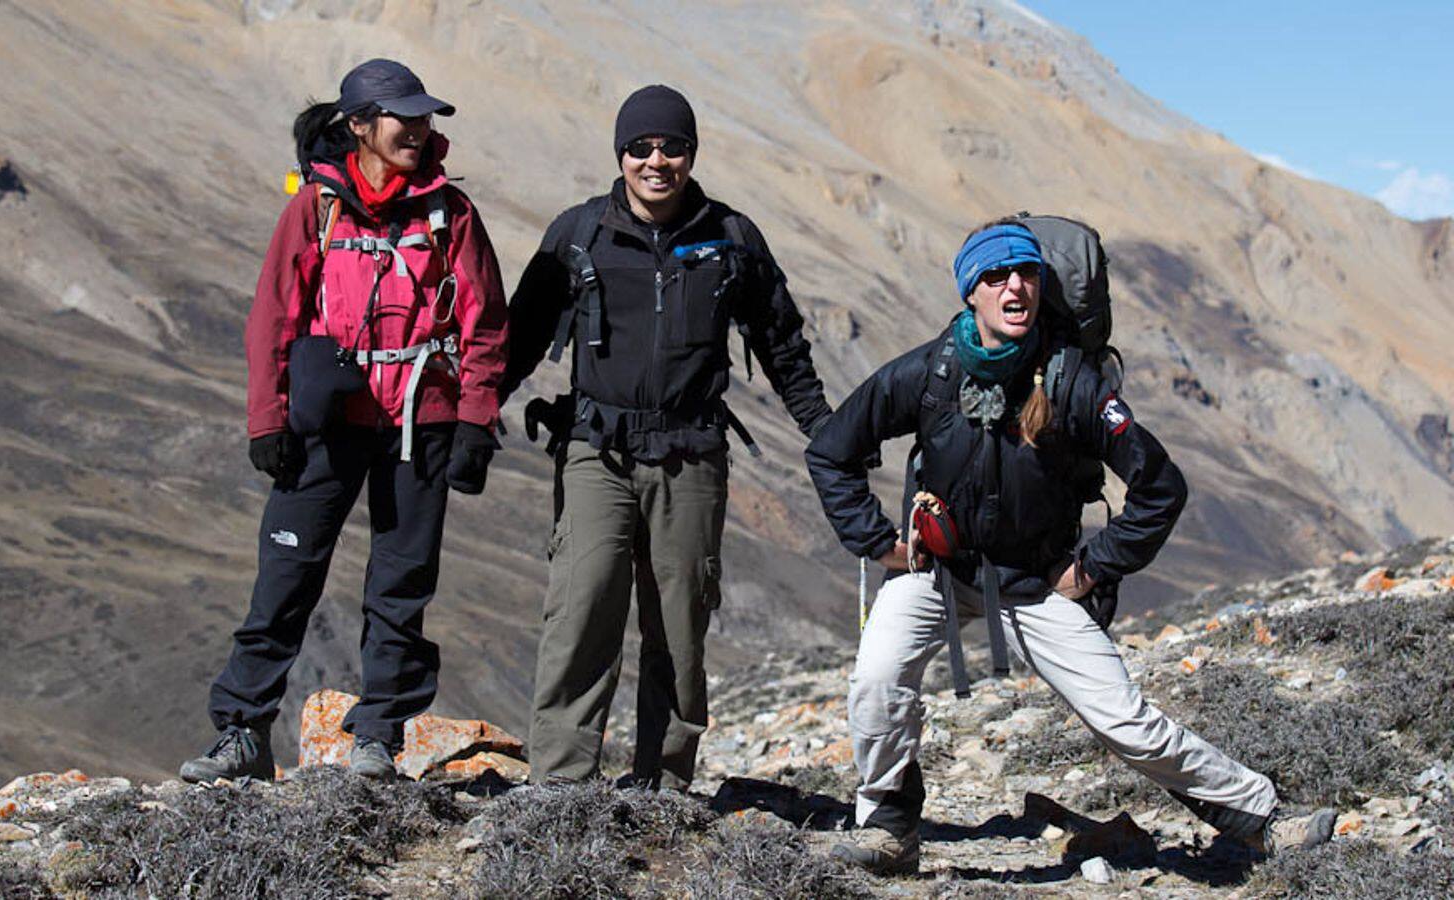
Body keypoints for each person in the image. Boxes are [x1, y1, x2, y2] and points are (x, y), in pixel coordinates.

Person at [804, 220, 1279, 872]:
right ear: (970, 291)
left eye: (1025, 274)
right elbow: (832, 452)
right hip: (936, 569)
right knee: (877, 680)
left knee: (1124, 721)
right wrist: (880, 543)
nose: (1014, 288)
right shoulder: (932, 371)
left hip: (1036, 579)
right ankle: (888, 825)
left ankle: (1262, 817)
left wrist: (1092, 568)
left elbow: (1159, 486)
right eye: (996, 277)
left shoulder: (1074, 382)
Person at [180, 58, 508, 783]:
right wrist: (267, 420)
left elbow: (487, 323)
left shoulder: (451, 214)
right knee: (285, 577)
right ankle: (242, 733)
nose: (418, 130)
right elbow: (274, 315)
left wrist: (475, 421)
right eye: (403, 117)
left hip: (420, 422)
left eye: (425, 118)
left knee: (401, 585)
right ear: (359, 125)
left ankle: (378, 738)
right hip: (325, 423)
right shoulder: (313, 208)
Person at [502, 85, 833, 790]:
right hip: (597, 450)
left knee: (681, 625)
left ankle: (663, 785)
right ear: (620, 154)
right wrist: (471, 418)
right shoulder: (578, 234)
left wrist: (826, 432)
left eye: (672, 146)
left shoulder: (733, 239)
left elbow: (782, 345)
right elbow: (518, 339)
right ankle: (560, 786)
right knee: (582, 604)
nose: (658, 161)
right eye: (641, 147)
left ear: (692, 153)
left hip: (691, 455)